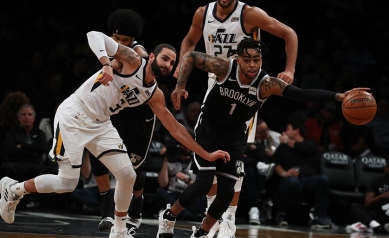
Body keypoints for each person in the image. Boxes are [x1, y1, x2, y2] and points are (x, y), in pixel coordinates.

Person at [0, 31, 230, 238]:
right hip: (74, 115)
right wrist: (106, 64)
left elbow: (175, 128)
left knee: (128, 175)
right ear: (151, 57)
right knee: (67, 183)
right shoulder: (131, 60)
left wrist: (206, 154)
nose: (168, 64)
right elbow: (93, 35)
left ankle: (119, 231)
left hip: (101, 124)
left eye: (172, 62)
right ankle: (14, 189)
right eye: (165, 58)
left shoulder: (155, 94)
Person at [156, 37, 369, 238]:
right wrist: (180, 86)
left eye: (256, 60)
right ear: (238, 59)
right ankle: (169, 216)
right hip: (209, 130)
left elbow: (301, 93)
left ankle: (201, 233)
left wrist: (339, 96)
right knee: (202, 185)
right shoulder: (224, 68)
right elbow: (191, 56)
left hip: (235, 136)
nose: (252, 65)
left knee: (226, 194)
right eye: (247, 60)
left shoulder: (266, 84)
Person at [173, 0, 298, 234]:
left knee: (235, 159)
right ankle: (213, 217)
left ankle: (228, 218)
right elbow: (189, 40)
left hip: (245, 87)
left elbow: (289, 33)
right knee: (211, 156)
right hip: (215, 83)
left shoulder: (249, 15)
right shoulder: (201, 13)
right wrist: (181, 66)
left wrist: (290, 70)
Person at [87, 8, 158, 233]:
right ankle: (106, 206)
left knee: (133, 167)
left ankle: (137, 202)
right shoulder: (104, 46)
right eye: (115, 38)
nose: (118, 42)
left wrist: (114, 62)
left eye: (123, 40)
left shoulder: (138, 50)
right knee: (97, 153)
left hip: (139, 115)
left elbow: (134, 59)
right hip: (114, 110)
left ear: (132, 39)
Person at [271, 120, 331, 229]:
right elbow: (276, 164)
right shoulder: (283, 147)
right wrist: (285, 173)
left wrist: (286, 141)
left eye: (288, 129)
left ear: (296, 130)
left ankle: (319, 217)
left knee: (323, 179)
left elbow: (304, 148)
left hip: (309, 179)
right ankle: (281, 215)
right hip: (291, 178)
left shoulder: (310, 143)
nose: (285, 132)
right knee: (291, 182)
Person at [243, 118, 280, 224]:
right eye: (262, 132)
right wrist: (253, 148)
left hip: (270, 173)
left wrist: (257, 150)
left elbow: (273, 160)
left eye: (267, 129)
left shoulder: (274, 138)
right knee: (251, 170)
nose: (266, 133)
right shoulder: (247, 141)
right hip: (250, 174)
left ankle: (259, 208)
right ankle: (254, 208)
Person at [157, 142, 206, 221]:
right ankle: (187, 215)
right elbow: (163, 184)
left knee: (206, 197)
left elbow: (198, 187)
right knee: (161, 192)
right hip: (173, 195)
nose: (187, 148)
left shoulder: (196, 163)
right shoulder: (170, 162)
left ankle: (179, 213)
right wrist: (165, 160)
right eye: (184, 146)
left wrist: (187, 180)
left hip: (188, 195)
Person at [346, 159, 389, 234]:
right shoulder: (377, 181)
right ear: (386, 169)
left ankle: (375, 226)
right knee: (355, 207)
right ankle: (378, 227)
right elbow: (367, 203)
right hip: (378, 212)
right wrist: (382, 196)